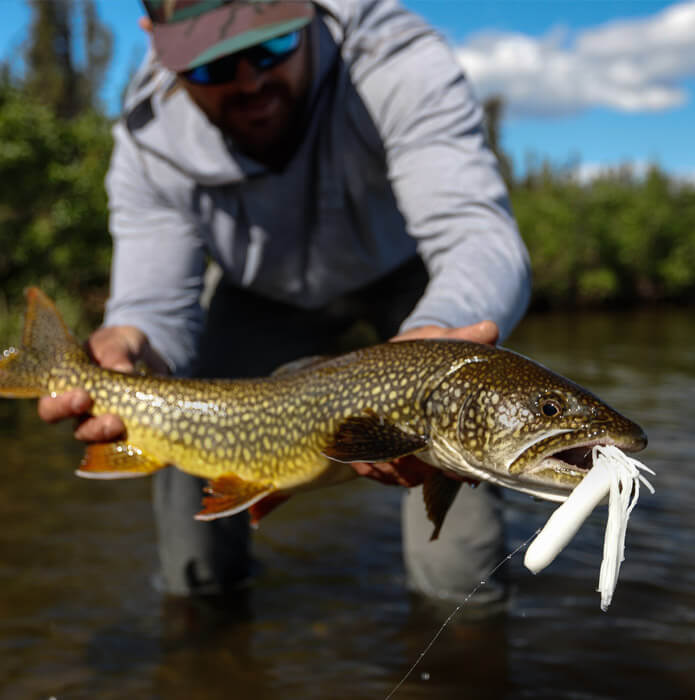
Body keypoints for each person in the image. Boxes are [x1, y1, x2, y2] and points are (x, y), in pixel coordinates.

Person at [38, 0, 530, 602]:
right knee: (191, 542)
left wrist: (434, 341)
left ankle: (465, 642)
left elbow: (480, 237)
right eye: (210, 63)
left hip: (417, 290)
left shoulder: (393, 60)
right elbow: (156, 308)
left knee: (460, 563)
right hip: (259, 292)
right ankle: (206, 646)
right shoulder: (148, 132)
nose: (250, 80)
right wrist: (130, 341)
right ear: (156, 39)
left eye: (270, 45)